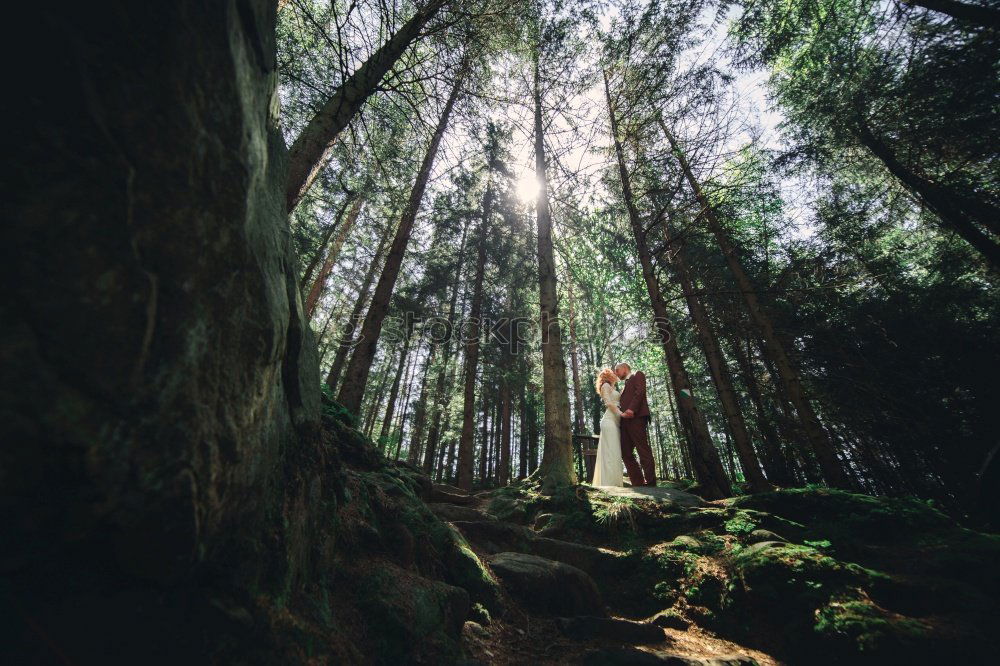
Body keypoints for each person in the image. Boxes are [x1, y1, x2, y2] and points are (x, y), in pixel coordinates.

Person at [616, 362, 656, 487]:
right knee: (625, 452)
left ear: (625, 368)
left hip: (636, 418)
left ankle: (651, 483)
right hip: (625, 422)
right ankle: (638, 483)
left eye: (617, 370)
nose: (616, 373)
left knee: (642, 449)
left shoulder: (637, 374)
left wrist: (632, 409)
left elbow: (640, 392)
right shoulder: (624, 387)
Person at [592, 368, 624, 487]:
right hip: (609, 420)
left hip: (615, 421)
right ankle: (609, 484)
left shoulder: (612, 387)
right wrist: (621, 414)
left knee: (614, 450)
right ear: (607, 376)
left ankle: (615, 482)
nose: (615, 374)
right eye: (612, 373)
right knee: (610, 451)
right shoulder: (605, 385)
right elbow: (608, 403)